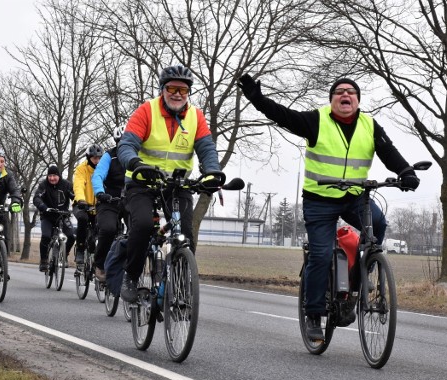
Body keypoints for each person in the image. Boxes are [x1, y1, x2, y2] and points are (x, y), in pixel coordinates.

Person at [238, 74, 420, 340]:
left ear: (357, 100)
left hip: (355, 196)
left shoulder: (370, 125)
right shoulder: (316, 120)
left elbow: (388, 151)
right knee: (321, 255)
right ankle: (314, 314)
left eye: (351, 92)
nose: (345, 95)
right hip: (320, 198)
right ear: (332, 99)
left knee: (378, 225)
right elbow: (284, 116)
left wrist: (406, 171)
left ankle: (363, 272)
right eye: (339, 92)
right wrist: (257, 99)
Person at [117, 64, 221, 303]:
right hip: (143, 182)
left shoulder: (196, 116)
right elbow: (126, 144)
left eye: (183, 90)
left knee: (185, 235)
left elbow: (206, 148)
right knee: (142, 225)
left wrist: (213, 171)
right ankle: (131, 276)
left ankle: (182, 291)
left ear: (188, 94)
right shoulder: (146, 111)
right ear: (162, 89)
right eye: (172, 88)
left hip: (177, 185)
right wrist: (134, 162)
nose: (177, 94)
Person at [92, 125, 127, 282]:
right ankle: (99, 264)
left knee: (140, 230)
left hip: (131, 200)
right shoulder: (109, 156)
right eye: (121, 141)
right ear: (116, 142)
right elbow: (98, 175)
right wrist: (100, 193)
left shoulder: (140, 155)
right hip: (109, 200)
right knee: (108, 229)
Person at [32, 164, 76, 272]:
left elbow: (74, 195)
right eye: (50, 176)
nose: (52, 178)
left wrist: (78, 201)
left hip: (63, 215)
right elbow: (37, 197)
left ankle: (64, 254)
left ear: (59, 176)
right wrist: (43, 207)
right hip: (48, 216)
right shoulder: (43, 185)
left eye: (54, 175)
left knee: (71, 236)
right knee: (46, 236)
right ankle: (43, 260)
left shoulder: (66, 185)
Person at [72, 144, 103, 270]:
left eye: (99, 158)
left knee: (101, 227)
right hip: (82, 204)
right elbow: (78, 185)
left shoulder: (103, 168)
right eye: (94, 158)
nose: (97, 160)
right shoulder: (81, 169)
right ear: (89, 157)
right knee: (83, 220)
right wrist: (81, 199)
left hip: (98, 206)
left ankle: (98, 256)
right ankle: (80, 249)